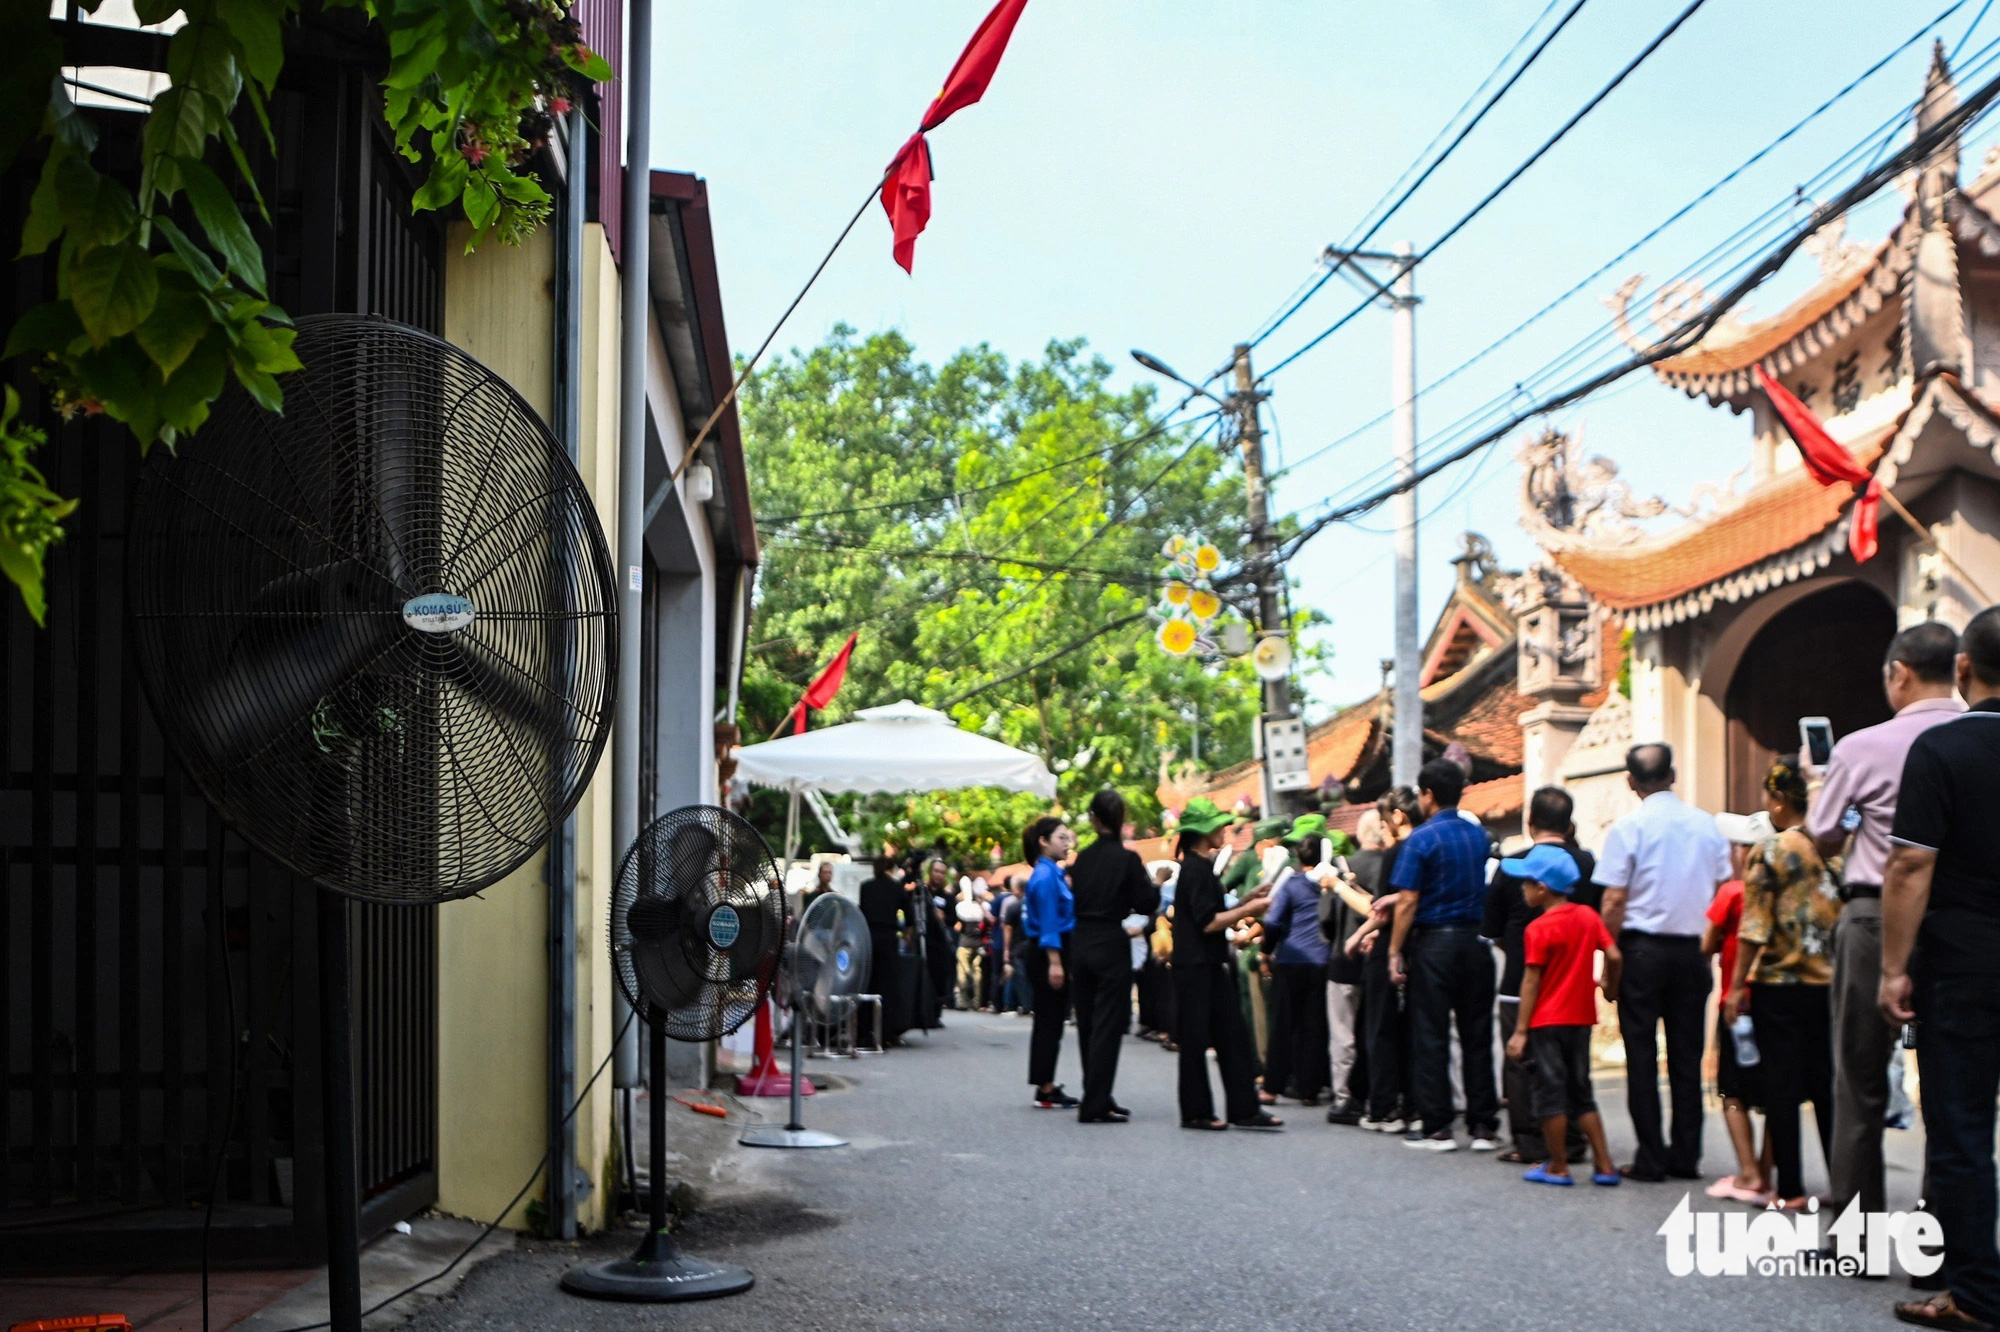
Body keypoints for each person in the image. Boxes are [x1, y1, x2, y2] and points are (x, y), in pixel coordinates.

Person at [1806, 622, 1962, 1224]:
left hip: (1873, 915)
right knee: (1953, 1087)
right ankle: (1943, 1244)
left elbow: (1822, 832)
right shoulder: (1981, 740)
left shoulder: (1861, 747)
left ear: (1899, 672)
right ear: (1960, 671)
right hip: (1959, 921)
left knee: (1859, 1082)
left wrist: (1837, 802)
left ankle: (1855, 1236)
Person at [1882, 608, 2000, 1332]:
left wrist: (1895, 967)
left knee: (1961, 1132)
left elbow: (1910, 863)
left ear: (1962, 670)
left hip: (1962, 965)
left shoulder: (1942, 748)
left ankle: (1977, 1296)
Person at [1596, 742, 1732, 1182]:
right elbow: (1722, 888)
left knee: (1640, 1053)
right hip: (1693, 951)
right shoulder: (1707, 827)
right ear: (1673, 776)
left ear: (1630, 782)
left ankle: (1651, 1157)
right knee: (1687, 1056)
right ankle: (1686, 1155)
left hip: (1641, 951)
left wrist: (1608, 958)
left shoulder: (1627, 829)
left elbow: (1614, 899)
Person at [1724, 757, 1838, 1212]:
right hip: (1830, 984)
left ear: (1776, 800)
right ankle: (1843, 1182)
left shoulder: (1770, 850)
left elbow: (1754, 926)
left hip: (1780, 983)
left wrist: (1735, 987)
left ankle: (1790, 1189)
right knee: (1829, 1088)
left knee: (1783, 1089)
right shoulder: (1839, 847)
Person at [1389, 759, 1501, 1152]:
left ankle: (1437, 1126)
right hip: (1475, 942)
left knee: (1431, 1034)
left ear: (1428, 795)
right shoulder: (1478, 837)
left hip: (1434, 943)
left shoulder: (1420, 839)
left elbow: (1407, 901)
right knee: (1477, 1035)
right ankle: (1483, 1125)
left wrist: (1394, 950)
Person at [1483, 786, 1597, 1165]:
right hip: (1573, 988)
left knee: (1521, 1066)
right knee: (1572, 1069)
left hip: (1519, 982)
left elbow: (1493, 929)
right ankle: (1574, 1142)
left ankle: (1531, 1143)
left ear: (1530, 823)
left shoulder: (1511, 865)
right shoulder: (1588, 864)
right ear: (1568, 825)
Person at [1502, 844, 1622, 1188]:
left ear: (1542, 888)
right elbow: (1613, 954)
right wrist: (1609, 987)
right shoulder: (1588, 916)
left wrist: (1520, 1031)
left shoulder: (1538, 928)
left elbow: (1530, 981)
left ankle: (1557, 1165)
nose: (1522, 889)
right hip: (1581, 1019)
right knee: (1581, 1092)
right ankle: (1605, 1165)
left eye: (1525, 883)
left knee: (1550, 1094)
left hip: (1546, 1022)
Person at [1171, 798, 1283, 1132]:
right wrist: (1251, 910)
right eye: (1218, 826)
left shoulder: (1200, 867)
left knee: (1232, 1036)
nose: (1225, 830)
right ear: (1203, 832)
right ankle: (1196, 1111)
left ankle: (1243, 1108)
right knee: (1196, 1040)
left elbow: (1211, 909)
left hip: (1208, 963)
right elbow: (1208, 921)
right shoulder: (1194, 869)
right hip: (1196, 965)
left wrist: (1246, 901)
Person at [1068, 790, 1159, 1123]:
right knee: (1107, 1024)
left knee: (1088, 1023)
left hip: (1081, 940)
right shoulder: (1127, 860)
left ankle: (1097, 1094)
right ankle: (1095, 1101)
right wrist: (1157, 884)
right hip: (1110, 940)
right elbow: (1146, 903)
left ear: (1094, 819)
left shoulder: (1081, 860)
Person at [1705, 811, 1776, 1205]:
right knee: (1776, 1092)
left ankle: (1748, 1173)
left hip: (1738, 1001)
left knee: (1733, 1091)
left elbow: (1707, 942)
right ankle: (1766, 1172)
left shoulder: (1733, 892)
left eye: (1739, 846)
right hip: (1776, 999)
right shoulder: (1783, 890)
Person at [1356, 787, 1420, 1132]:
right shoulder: (1426, 846)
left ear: (1396, 816)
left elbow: (1385, 909)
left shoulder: (1398, 853)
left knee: (1380, 1030)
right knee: (1412, 1031)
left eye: (1385, 821)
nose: (1384, 829)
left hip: (1392, 949)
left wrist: (1361, 937)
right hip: (1421, 947)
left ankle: (1383, 1107)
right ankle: (1413, 1105)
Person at [1260, 814, 1334, 1107]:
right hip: (1321, 961)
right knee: (1313, 1026)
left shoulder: (1292, 884)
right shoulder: (1332, 883)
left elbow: (1274, 923)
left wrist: (1266, 951)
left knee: (1283, 1025)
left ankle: (1271, 1087)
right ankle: (1309, 1089)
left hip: (1291, 961)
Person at [1020, 816, 1078, 1109]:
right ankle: (1044, 1086)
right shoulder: (1044, 876)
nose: (1068, 844)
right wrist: (1055, 962)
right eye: (1062, 838)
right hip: (1048, 952)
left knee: (1051, 1020)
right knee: (1048, 1020)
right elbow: (1050, 924)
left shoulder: (1051, 872)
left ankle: (1046, 1083)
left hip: (1052, 949)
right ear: (1044, 842)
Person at [858, 858, 912, 1043]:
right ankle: (886, 1033)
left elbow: (862, 911)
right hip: (889, 938)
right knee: (888, 987)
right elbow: (910, 915)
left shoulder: (866, 887)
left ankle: (863, 1031)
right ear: (892, 869)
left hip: (869, 937)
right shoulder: (897, 888)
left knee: (868, 983)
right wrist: (906, 932)